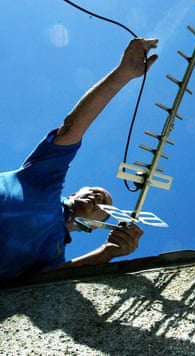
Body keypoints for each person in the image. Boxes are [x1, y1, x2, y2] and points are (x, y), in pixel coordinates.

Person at [0, 38, 159, 282]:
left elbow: (40, 282)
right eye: (96, 191)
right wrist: (123, 74)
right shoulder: (42, 181)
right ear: (74, 192)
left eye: (103, 203)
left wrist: (107, 252)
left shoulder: (54, 254)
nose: (98, 197)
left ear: (93, 226)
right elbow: (70, 130)